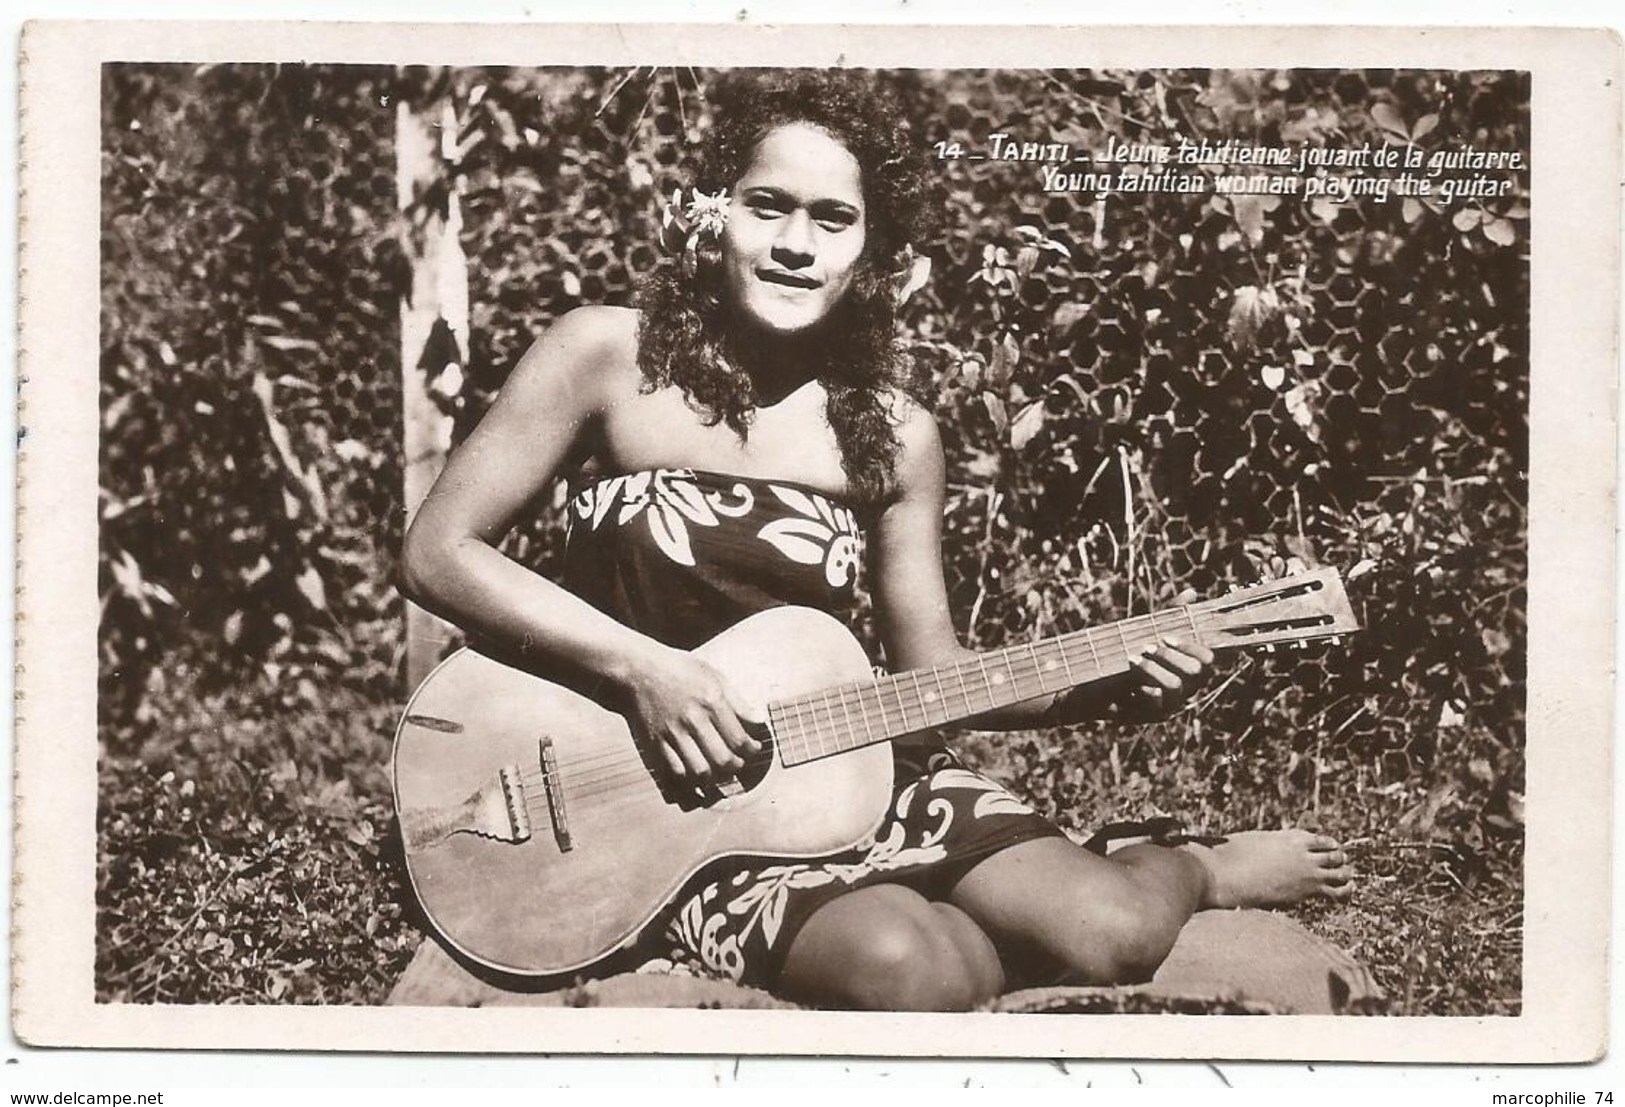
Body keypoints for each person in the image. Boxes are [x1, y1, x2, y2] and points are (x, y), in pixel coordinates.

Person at [400, 70, 1353, 1012]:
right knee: (917, 969)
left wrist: (1112, 685)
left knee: (1113, 932)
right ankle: (915, 921)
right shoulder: (606, 353)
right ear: (709, 213)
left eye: (832, 218)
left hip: (854, 770)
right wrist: (647, 672)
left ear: (873, 249)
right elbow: (439, 551)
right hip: (661, 809)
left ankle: (1186, 863)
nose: (793, 246)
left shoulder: (895, 435)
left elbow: (931, 675)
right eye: (765, 206)